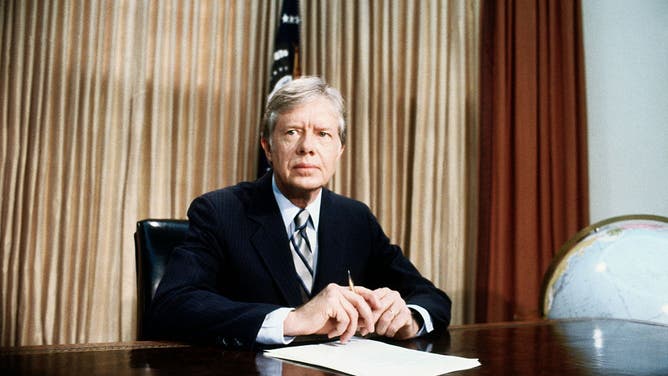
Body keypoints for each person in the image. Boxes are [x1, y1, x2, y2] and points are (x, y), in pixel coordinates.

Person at [149, 76, 451, 349]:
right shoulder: (220, 211)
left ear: (339, 151)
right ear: (268, 148)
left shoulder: (355, 218)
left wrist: (409, 317)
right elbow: (172, 304)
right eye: (292, 132)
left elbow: (432, 298)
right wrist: (292, 319)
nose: (307, 147)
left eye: (323, 134)